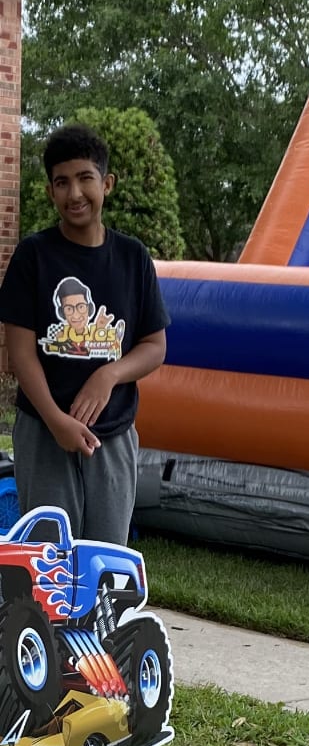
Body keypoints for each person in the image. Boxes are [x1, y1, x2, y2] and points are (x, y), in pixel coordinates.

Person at [0, 123, 170, 544]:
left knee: (106, 558)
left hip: (112, 434)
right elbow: (20, 353)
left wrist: (109, 374)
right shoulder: (33, 256)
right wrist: (56, 420)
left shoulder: (132, 258)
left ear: (106, 184)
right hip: (44, 431)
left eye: (84, 178)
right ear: (50, 192)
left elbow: (154, 346)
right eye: (62, 182)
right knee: (47, 557)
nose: (74, 193)